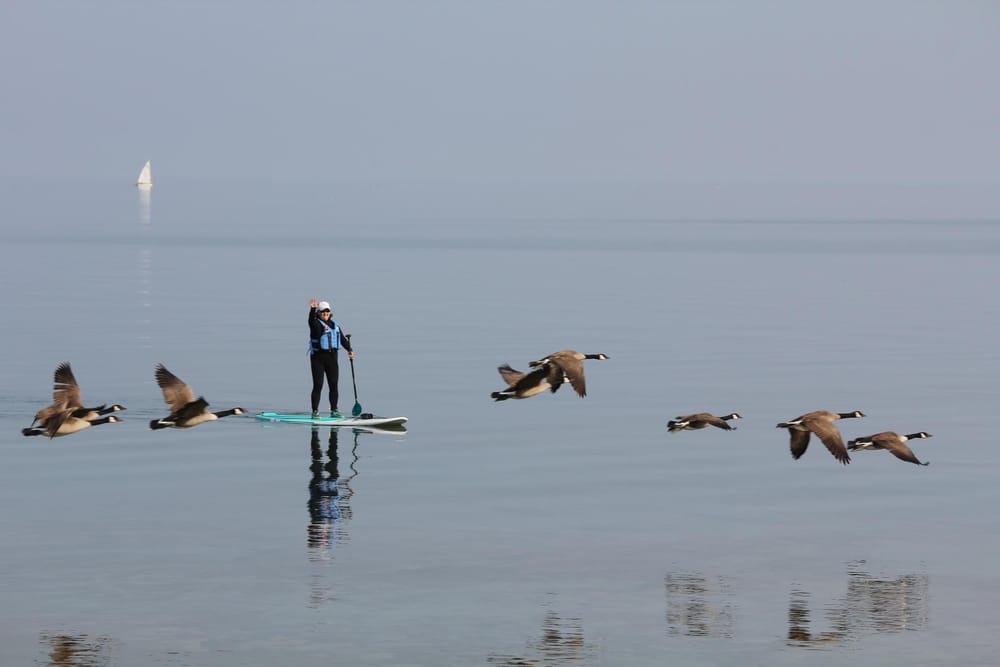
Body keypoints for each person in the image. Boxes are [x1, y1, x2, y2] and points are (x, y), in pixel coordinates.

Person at [308, 298, 355, 418]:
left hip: (332, 358)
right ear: (319, 313)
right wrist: (313, 309)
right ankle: (315, 412)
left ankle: (334, 410)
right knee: (318, 385)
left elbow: (343, 340)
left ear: (330, 313)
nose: (325, 314)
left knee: (334, 385)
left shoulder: (335, 325)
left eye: (327, 312)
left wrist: (350, 350)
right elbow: (311, 321)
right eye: (323, 312)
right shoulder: (316, 324)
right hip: (318, 359)